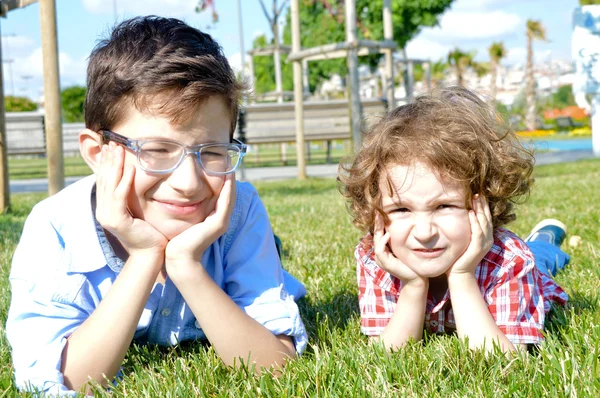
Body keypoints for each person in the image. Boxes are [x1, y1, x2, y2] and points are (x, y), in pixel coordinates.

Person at [6, 16, 307, 395]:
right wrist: (145, 257)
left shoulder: (240, 211)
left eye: (212, 153)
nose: (189, 183)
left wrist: (187, 266)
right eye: (157, 150)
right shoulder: (54, 227)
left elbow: (278, 368)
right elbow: (66, 381)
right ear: (98, 153)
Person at [338, 86, 569, 353]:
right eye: (401, 210)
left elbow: (507, 361)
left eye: (444, 206)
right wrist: (413, 286)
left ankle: (545, 238)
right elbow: (386, 353)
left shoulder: (510, 260)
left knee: (540, 258)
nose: (424, 233)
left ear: (484, 203)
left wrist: (461, 276)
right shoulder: (375, 257)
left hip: (525, 264)